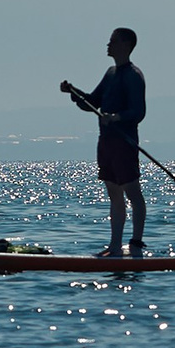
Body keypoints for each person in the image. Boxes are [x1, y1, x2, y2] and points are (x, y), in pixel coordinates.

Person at [61, 28, 147, 256]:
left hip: (124, 143)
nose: (107, 45)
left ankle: (136, 245)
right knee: (113, 193)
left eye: (112, 41)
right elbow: (92, 101)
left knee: (132, 192)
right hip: (107, 142)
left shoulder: (134, 75)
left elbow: (138, 111)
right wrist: (73, 91)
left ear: (126, 45)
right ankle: (115, 246)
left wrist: (116, 117)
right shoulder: (110, 73)